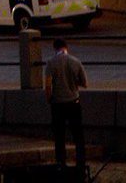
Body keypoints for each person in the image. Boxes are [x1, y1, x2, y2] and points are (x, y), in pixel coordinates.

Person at [45, 38, 88, 169]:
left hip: (58, 104)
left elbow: (48, 85)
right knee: (78, 135)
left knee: (59, 136)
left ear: (55, 48)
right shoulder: (76, 61)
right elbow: (85, 83)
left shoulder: (51, 63)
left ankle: (61, 163)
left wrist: (49, 99)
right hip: (73, 102)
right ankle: (81, 163)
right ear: (66, 47)